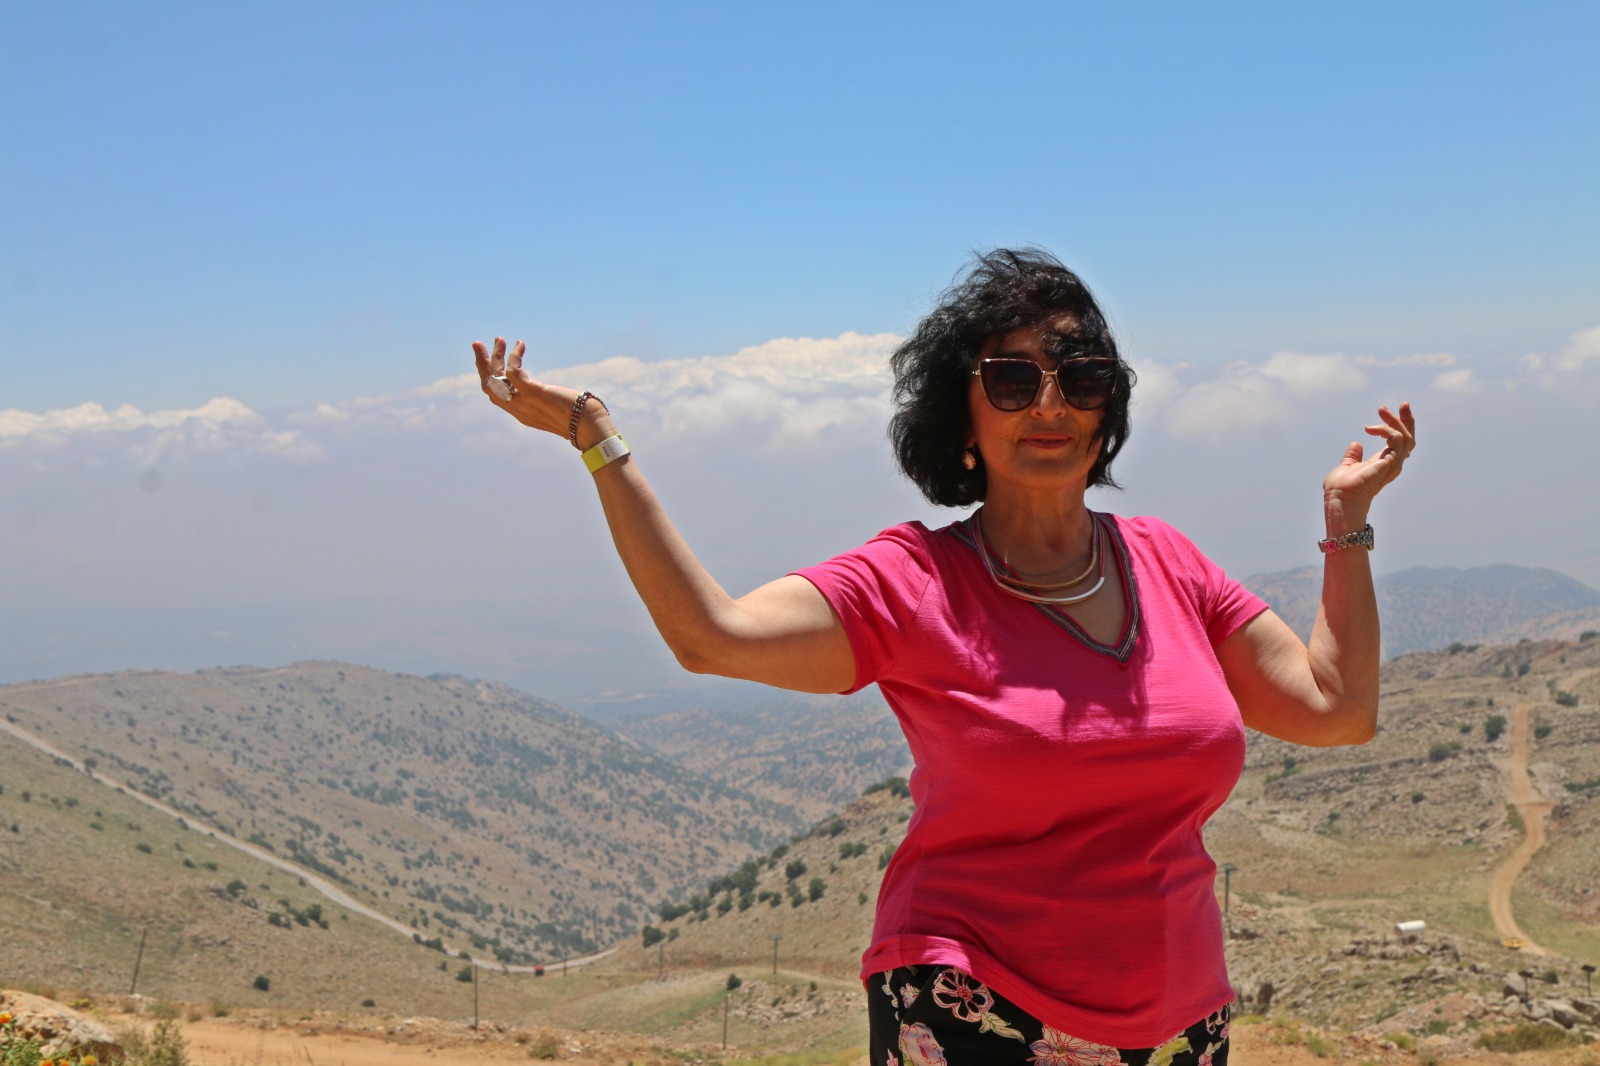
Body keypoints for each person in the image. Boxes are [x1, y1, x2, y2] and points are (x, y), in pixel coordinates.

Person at [471, 248, 1415, 1066]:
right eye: (1012, 380)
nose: (1050, 403)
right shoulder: (912, 580)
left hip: (1180, 1025)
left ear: (1107, 408)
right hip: (973, 1006)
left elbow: (1336, 710)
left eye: (1080, 377)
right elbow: (710, 635)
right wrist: (598, 441)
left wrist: (1346, 523)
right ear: (962, 418)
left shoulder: (1169, 563)